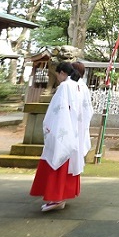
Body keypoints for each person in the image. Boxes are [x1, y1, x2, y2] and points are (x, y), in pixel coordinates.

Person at [29, 61, 93, 212]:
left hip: (64, 127)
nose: (57, 77)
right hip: (76, 129)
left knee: (58, 157)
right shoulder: (80, 86)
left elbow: (58, 109)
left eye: (57, 74)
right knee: (69, 161)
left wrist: (52, 127)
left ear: (62, 73)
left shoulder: (65, 86)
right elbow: (87, 110)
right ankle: (62, 195)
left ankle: (56, 196)